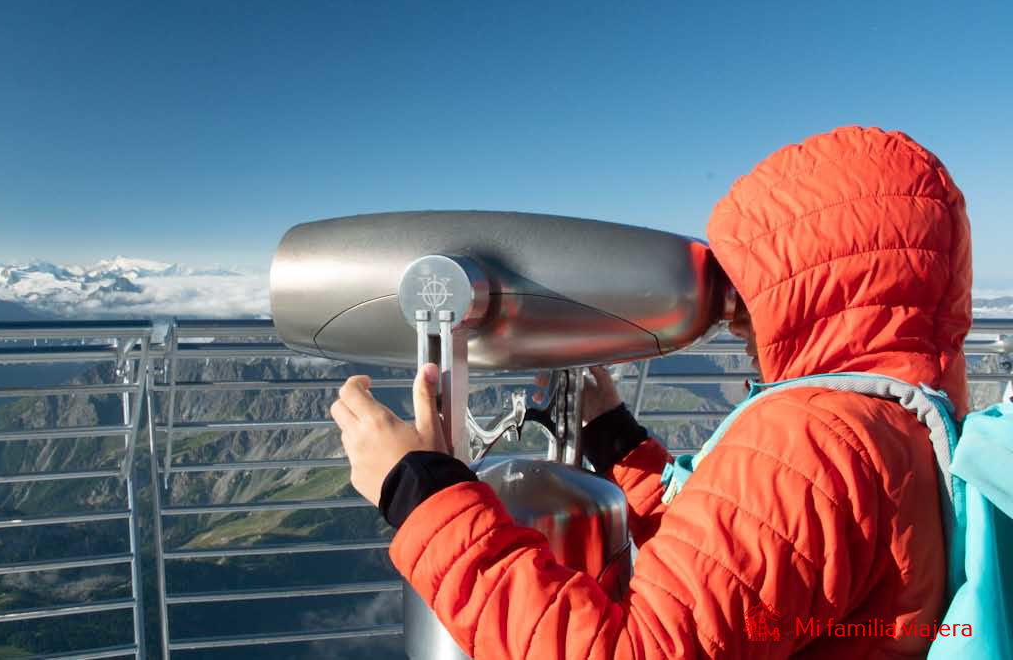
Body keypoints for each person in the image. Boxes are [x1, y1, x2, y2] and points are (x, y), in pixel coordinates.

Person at [330, 125, 971, 658]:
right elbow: (745, 572)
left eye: (747, 283)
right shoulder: (889, 421)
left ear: (814, 280)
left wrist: (421, 492)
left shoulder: (815, 437)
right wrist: (617, 438)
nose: (734, 317)